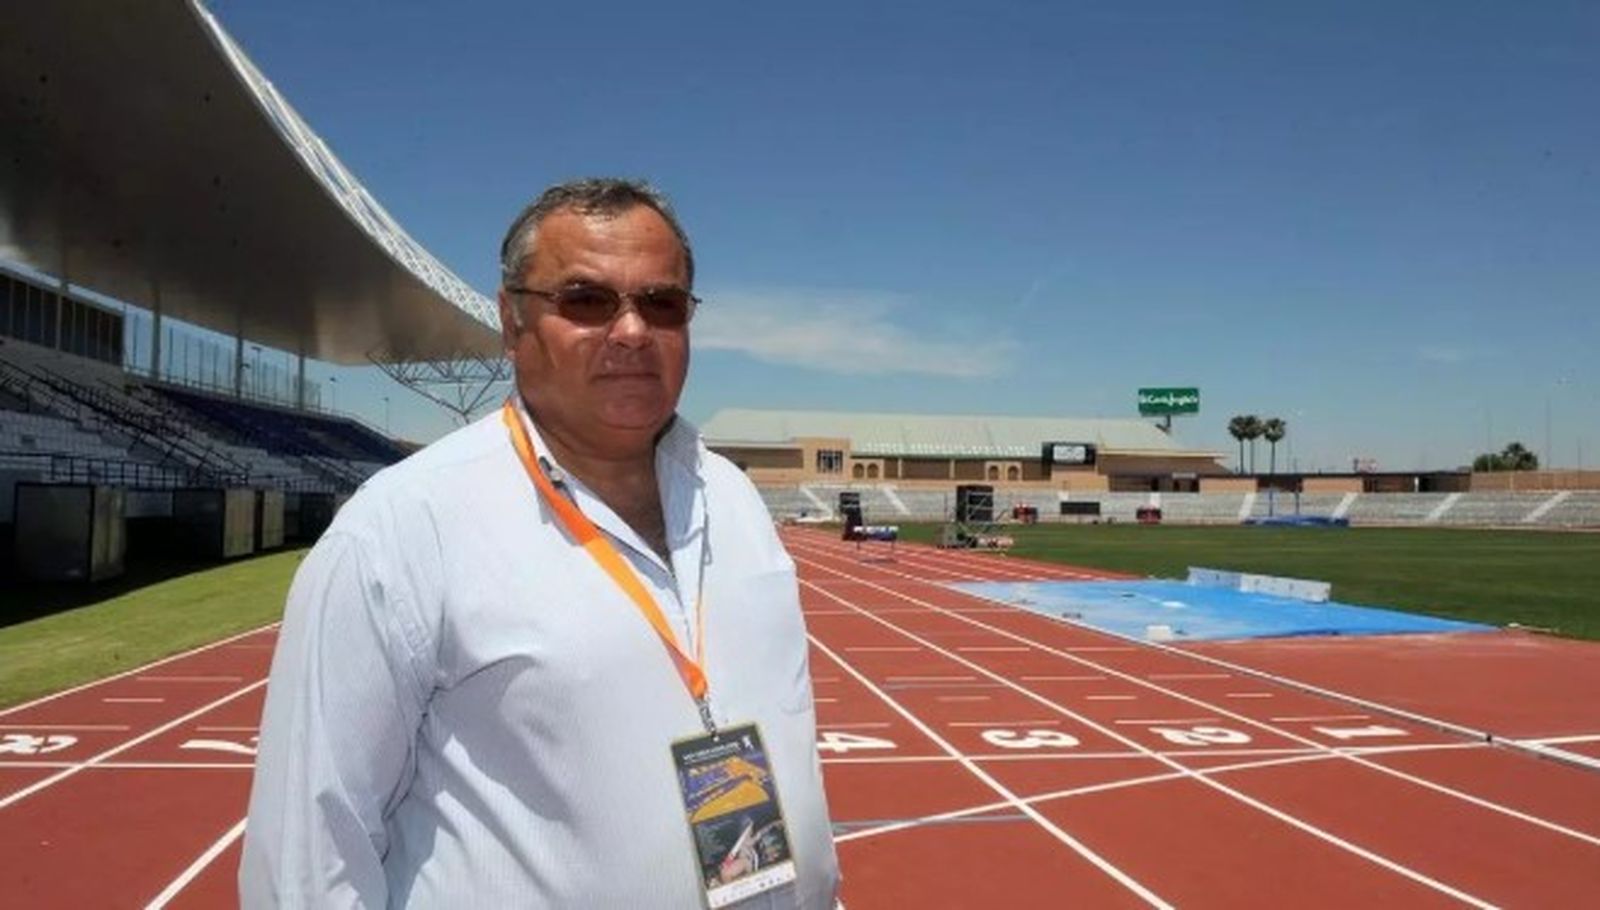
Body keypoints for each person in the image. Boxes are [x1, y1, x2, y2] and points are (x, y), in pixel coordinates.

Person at [240, 179, 840, 907]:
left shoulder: (736, 501)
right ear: (511, 320)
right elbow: (306, 864)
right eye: (587, 300)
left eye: (662, 303)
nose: (632, 331)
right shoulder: (401, 529)